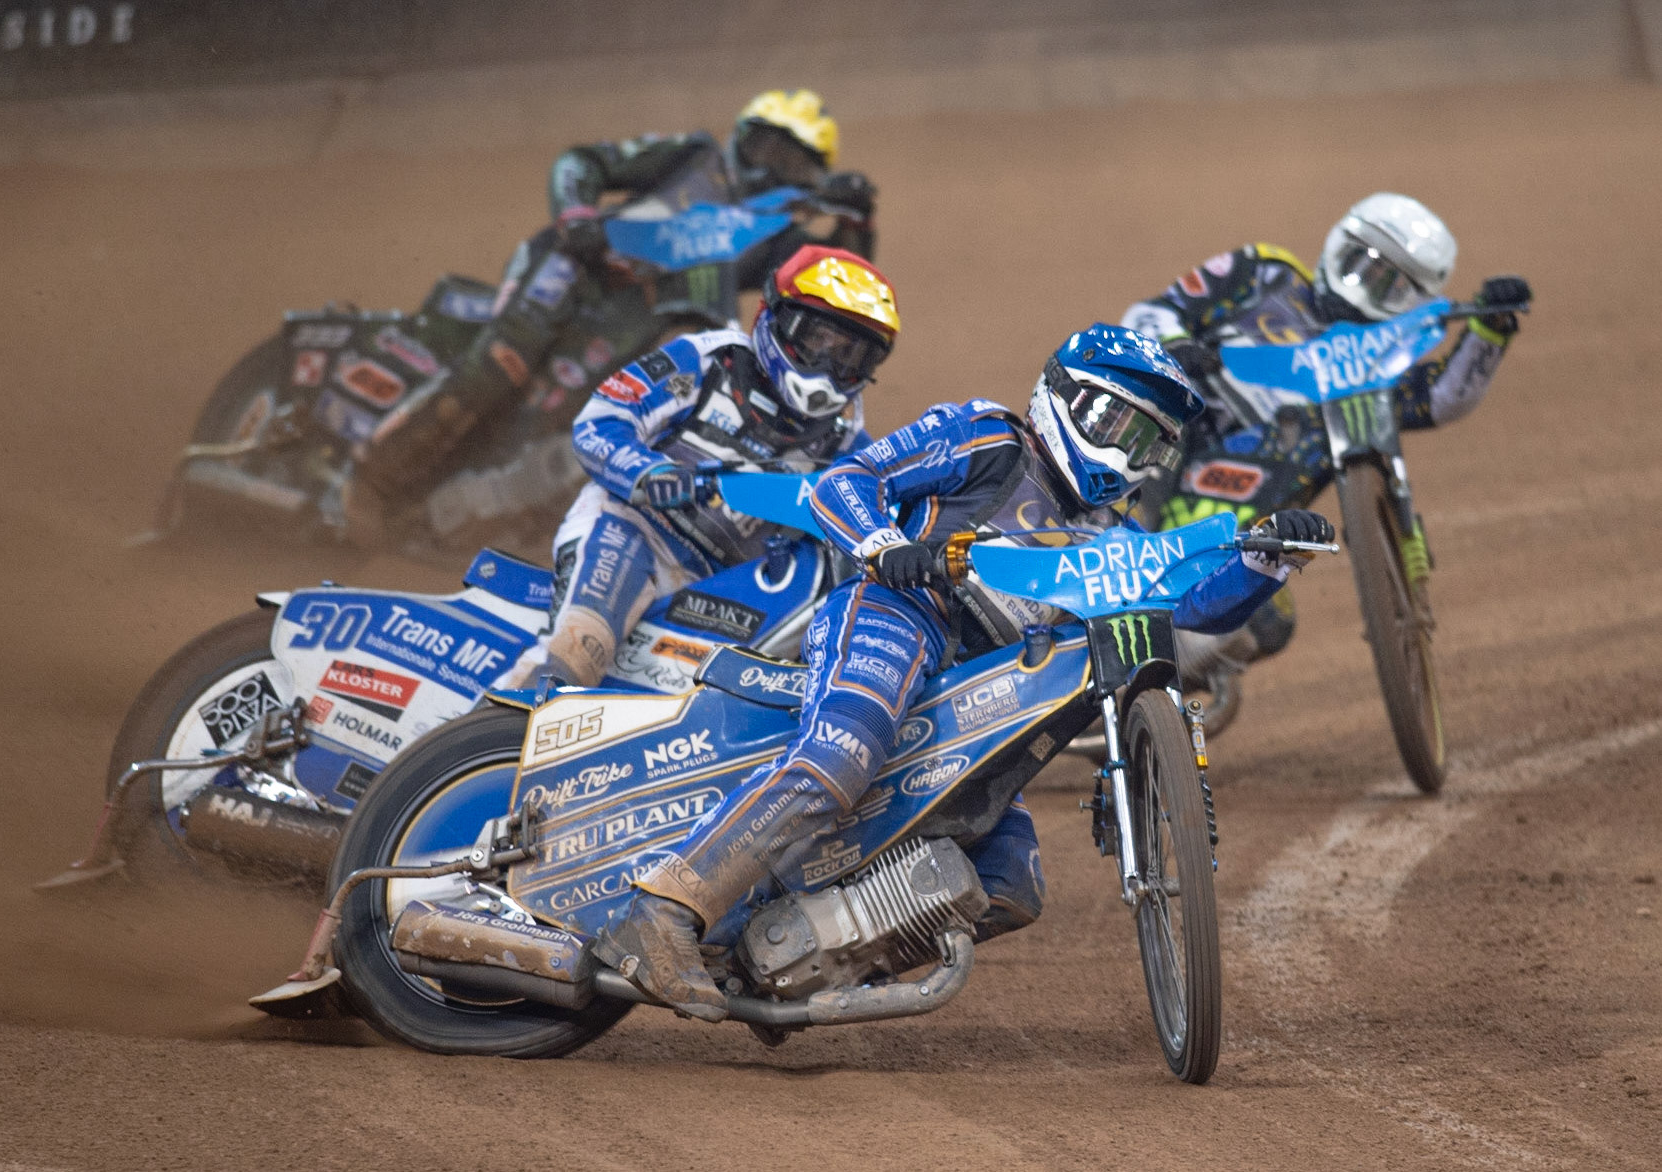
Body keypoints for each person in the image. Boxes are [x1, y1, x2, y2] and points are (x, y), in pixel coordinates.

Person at [593, 324, 1335, 1021]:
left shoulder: (1115, 533)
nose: (1130, 455)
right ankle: (660, 913)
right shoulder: (986, 435)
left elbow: (1193, 605)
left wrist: (1264, 562)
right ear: (1067, 400)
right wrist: (885, 545)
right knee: (836, 761)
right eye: (1119, 428)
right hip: (898, 611)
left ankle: (786, 967)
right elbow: (843, 482)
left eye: (1150, 443)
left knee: (1012, 884)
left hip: (984, 693)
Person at [350, 90, 878, 535]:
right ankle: (366, 483)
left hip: (632, 323)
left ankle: (438, 518)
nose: (773, 167)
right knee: (498, 367)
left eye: (795, 162)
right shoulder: (695, 156)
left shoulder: (775, 234)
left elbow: (833, 293)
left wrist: (857, 219)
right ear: (742, 136)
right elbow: (581, 161)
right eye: (769, 146)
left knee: (557, 427)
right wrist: (577, 215)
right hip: (576, 268)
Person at [1117, 191, 1530, 677]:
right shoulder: (1263, 270)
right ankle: (1120, 528)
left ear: (1414, 302)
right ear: (1340, 244)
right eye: (1365, 267)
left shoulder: (1376, 375)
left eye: (1394, 288)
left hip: (1228, 527)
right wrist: (1175, 344)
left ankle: (1150, 692)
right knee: (1152, 391)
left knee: (1271, 620)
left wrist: (1492, 329)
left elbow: (1442, 397)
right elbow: (1151, 312)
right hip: (1169, 444)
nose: (1370, 289)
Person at [494, 244, 898, 689]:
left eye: (851, 356)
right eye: (818, 340)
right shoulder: (707, 361)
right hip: (634, 534)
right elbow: (599, 422)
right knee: (578, 651)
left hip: (726, 592)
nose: (829, 366)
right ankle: (491, 735)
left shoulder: (848, 444)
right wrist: (650, 474)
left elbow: (879, 525)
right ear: (776, 317)